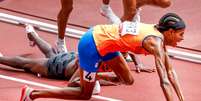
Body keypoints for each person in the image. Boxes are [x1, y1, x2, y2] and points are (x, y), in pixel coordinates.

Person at [20, 12, 185, 101]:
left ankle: (88, 76)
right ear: (170, 32)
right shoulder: (154, 41)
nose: (182, 39)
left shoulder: (160, 38)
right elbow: (164, 80)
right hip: (92, 44)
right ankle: (32, 94)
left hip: (107, 44)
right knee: (85, 95)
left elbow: (171, 72)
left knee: (127, 80)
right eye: (180, 34)